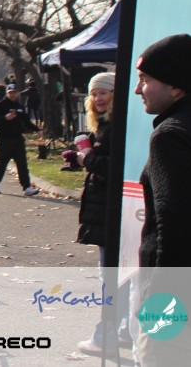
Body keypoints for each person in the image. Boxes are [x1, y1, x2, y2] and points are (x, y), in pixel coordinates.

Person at [134, 33, 191, 365]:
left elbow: (181, 229)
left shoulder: (172, 136)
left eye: (145, 79)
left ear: (176, 87)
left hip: (187, 315)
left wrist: (159, 307)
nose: (138, 89)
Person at [72, 72, 130, 356]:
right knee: (122, 274)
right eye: (94, 94)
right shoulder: (105, 125)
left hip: (112, 209)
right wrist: (81, 157)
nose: (98, 98)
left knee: (112, 275)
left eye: (103, 92)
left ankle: (105, 337)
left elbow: (115, 168)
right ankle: (125, 330)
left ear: (115, 94)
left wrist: (90, 159)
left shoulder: (117, 126)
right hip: (106, 208)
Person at [0, 84, 39, 196]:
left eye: (14, 92)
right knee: (2, 163)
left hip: (18, 138)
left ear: (17, 93)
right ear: (7, 93)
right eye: (10, 93)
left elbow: (26, 121)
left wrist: (37, 130)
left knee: (22, 164)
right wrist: (5, 118)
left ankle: (26, 187)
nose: (13, 95)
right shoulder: (1, 104)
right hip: (4, 138)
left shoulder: (20, 106)